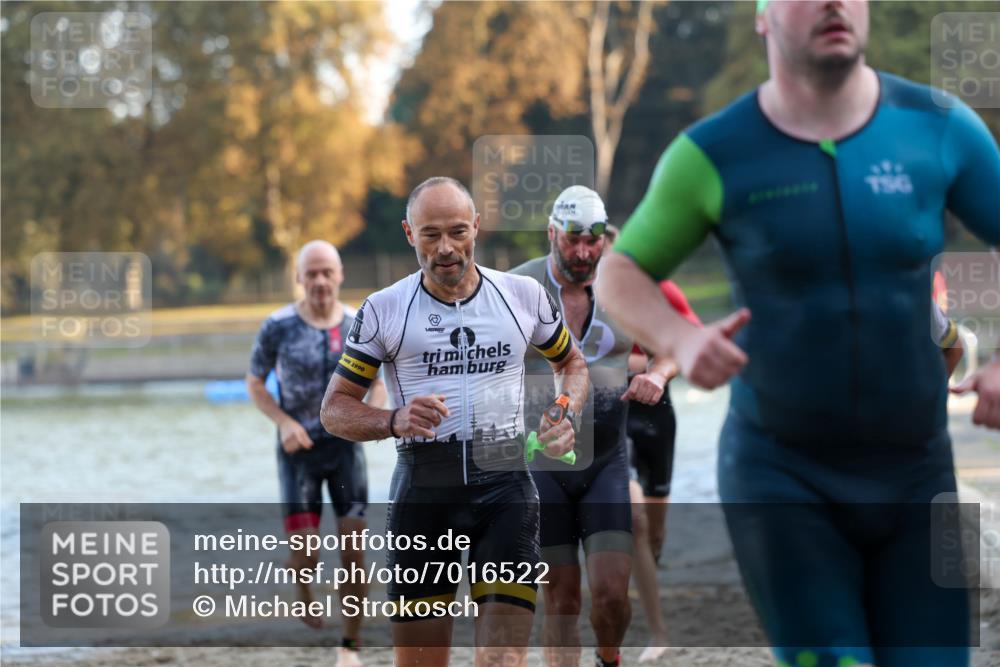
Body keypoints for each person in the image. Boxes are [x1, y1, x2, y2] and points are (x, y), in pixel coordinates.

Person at [596, 1, 1000, 665]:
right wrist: (681, 339)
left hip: (917, 474)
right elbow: (619, 273)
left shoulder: (938, 127)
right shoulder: (714, 151)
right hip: (781, 477)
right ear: (763, 16)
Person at [320, 177, 589, 667]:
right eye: (431, 234)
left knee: (502, 659)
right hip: (424, 496)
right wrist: (394, 419)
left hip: (506, 492)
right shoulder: (384, 309)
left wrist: (563, 408)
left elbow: (571, 362)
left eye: (458, 232)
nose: (446, 248)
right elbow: (334, 409)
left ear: (477, 227)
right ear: (409, 233)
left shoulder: (523, 295)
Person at [510, 186, 674, 667]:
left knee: (610, 595)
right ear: (551, 233)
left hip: (605, 463)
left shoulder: (624, 289)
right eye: (572, 240)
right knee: (562, 600)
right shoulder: (517, 287)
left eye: (593, 241)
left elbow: (671, 347)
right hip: (541, 467)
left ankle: (608, 657)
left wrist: (657, 376)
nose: (583, 252)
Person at [247, 240, 385, 667]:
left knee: (354, 554)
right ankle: (303, 585)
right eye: (312, 274)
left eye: (327, 272)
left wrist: (372, 416)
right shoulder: (278, 326)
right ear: (299, 279)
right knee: (306, 553)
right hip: (299, 451)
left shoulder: (359, 324)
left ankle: (349, 646)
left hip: (345, 450)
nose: (320, 281)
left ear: (340, 275)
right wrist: (284, 423)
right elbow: (255, 381)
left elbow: (379, 381)